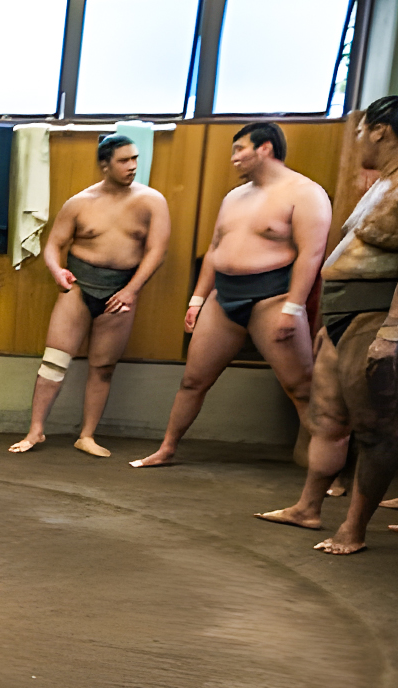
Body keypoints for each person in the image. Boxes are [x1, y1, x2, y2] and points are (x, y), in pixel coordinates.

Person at [132, 123, 332, 468]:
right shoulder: (234, 196)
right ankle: (166, 449)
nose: (234, 157)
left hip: (273, 297)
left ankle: (330, 472)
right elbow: (213, 249)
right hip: (223, 296)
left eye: (240, 149)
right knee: (193, 380)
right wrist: (197, 300)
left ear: (265, 148)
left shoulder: (305, 193)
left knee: (302, 389)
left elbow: (311, 255)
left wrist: (293, 307)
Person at [256, 98, 398, 554]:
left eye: (360, 131)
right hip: (343, 312)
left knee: (374, 429)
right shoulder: (384, 183)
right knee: (328, 420)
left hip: (375, 313)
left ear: (379, 131)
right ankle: (308, 507)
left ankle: (353, 530)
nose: (357, 141)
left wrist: (392, 330)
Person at [9, 135, 170, 457]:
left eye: (135, 159)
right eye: (124, 160)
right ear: (104, 165)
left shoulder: (152, 201)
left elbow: (157, 251)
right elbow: (53, 245)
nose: (133, 166)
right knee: (53, 363)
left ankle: (87, 435)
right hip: (79, 287)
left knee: (103, 366)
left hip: (122, 291)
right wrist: (58, 271)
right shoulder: (80, 202)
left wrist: (131, 290)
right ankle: (36, 431)